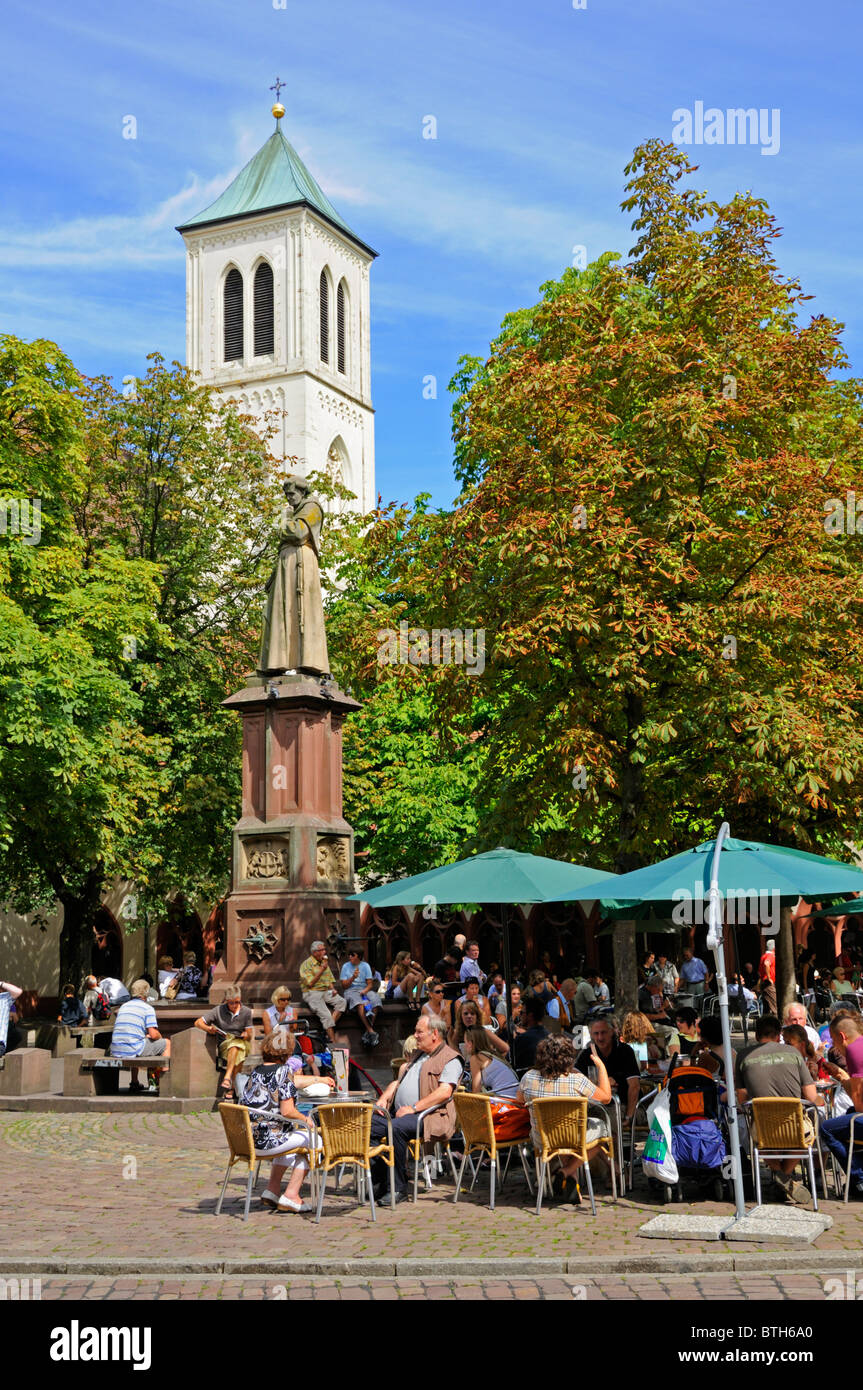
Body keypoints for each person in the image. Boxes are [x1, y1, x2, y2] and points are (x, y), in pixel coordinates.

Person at [369, 1014, 462, 1202]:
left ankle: (397, 1188)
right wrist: (385, 1097)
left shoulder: (451, 1058)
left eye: (419, 1032)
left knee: (396, 1128)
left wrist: (413, 1107)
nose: (415, 1035)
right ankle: (382, 1178)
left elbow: (444, 1092)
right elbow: (399, 1081)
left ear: (434, 1034)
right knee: (364, 1123)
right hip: (399, 1113)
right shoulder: (418, 1055)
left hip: (428, 1116)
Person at [736, 1015, 822, 1205]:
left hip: (762, 1130)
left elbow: (742, 1099)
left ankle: (778, 1175)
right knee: (809, 1136)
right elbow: (810, 1096)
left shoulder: (743, 1055)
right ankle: (786, 1176)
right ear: (779, 1036)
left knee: (757, 1136)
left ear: (757, 1035)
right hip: (796, 1128)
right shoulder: (794, 1054)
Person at [516, 1035, 612, 1203]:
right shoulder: (577, 1080)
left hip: (542, 1138)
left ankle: (571, 1181)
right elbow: (606, 1098)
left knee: (558, 1136)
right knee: (602, 1136)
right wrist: (601, 1066)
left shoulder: (529, 1077)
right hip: (573, 1136)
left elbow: (519, 1100)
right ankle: (566, 1171)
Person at [242, 1030, 330, 1213]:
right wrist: (306, 1120)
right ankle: (291, 1195)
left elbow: (293, 1081)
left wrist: (317, 1079)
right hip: (267, 1141)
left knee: (291, 1141)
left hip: (248, 1139)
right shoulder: (283, 1072)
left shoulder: (257, 1071)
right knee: (315, 1140)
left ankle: (272, 1190)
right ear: (287, 1052)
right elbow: (288, 1111)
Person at [819, 1013, 863, 1198]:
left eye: (834, 1041)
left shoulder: (853, 1051)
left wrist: (846, 1079)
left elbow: (860, 1104)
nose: (835, 1047)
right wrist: (843, 1077)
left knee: (827, 1129)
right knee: (849, 1114)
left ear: (842, 1036)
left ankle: (859, 1178)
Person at [575, 1016, 641, 1125]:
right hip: (597, 1104)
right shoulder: (587, 1053)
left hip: (624, 1105)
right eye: (596, 1033)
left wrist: (629, 1117)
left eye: (603, 1033)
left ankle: (612, 1142)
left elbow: (634, 1086)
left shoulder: (625, 1051)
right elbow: (574, 1075)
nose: (600, 1037)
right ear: (591, 1035)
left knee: (607, 1118)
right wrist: (596, 1082)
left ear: (611, 1032)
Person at [110, 979, 171, 1092]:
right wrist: (160, 1037)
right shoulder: (147, 1008)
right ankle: (164, 1083)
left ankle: (134, 1082)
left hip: (116, 1049)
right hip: (133, 1048)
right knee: (166, 1044)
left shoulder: (123, 1007)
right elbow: (153, 1034)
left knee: (138, 1042)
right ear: (146, 993)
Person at [195, 985, 254, 1094]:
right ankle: (232, 1088)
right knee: (236, 1048)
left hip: (243, 1043)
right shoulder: (218, 1010)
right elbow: (198, 1022)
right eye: (231, 1003)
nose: (235, 1005)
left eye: (237, 1002)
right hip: (224, 1045)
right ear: (226, 1001)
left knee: (237, 1045)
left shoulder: (246, 1011)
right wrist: (208, 1029)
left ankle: (227, 1078)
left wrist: (246, 1034)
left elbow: (250, 1035)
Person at [299, 940, 346, 1043]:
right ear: (314, 952)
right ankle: (333, 1043)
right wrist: (321, 969)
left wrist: (333, 989)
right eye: (321, 950)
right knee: (326, 1015)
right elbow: (310, 983)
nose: (324, 952)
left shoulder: (324, 964)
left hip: (325, 991)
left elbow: (328, 979)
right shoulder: (306, 965)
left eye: (325, 949)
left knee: (342, 1002)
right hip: (312, 992)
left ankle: (326, 1030)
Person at [339, 947, 381, 1047]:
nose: (350, 957)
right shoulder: (345, 967)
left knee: (376, 1000)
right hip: (351, 991)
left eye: (352, 955)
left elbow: (370, 984)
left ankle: (368, 1031)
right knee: (359, 1003)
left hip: (364, 989)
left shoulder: (365, 966)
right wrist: (353, 977)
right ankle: (371, 1030)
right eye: (349, 955)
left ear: (358, 956)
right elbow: (344, 986)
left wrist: (364, 991)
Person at [464, 1026, 520, 1098]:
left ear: (470, 1043)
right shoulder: (491, 1054)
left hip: (505, 1101)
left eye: (465, 1041)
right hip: (514, 1097)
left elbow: (476, 1091)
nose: (464, 1046)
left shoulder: (476, 1058)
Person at [512, 993, 549, 1071]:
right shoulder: (549, 1036)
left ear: (530, 1015)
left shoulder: (523, 1039)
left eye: (522, 1013)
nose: (520, 1016)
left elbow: (510, 1062)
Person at [0, 979, 23, 1057]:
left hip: (1, 1042)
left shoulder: (3, 999)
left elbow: (18, 992)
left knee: (17, 1035)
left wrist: (1, 983)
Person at [758, 940, 778, 1016]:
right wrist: (769, 978)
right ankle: (777, 1026)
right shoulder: (770, 955)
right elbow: (767, 964)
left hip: (764, 983)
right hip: (768, 983)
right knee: (774, 1006)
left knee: (766, 1007)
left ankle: (765, 1025)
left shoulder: (763, 956)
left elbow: (759, 971)